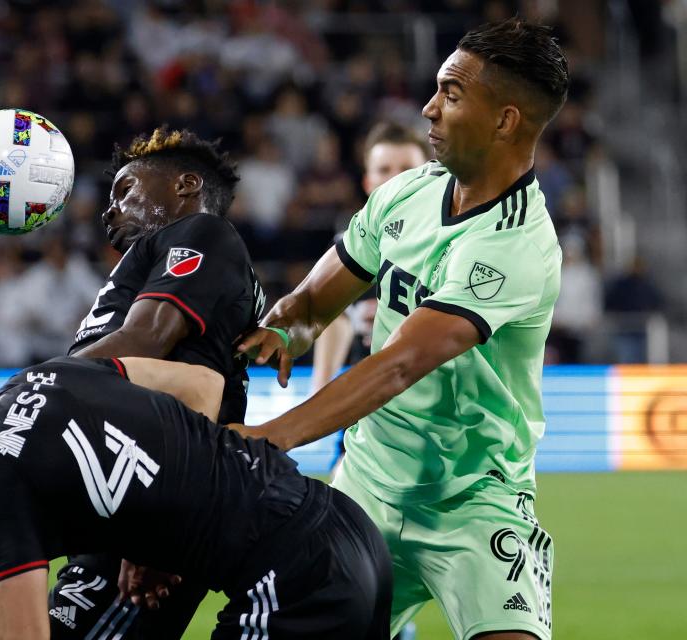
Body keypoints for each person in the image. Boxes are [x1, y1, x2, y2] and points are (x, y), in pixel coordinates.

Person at [237, 18, 567, 640]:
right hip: (367, 486)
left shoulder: (518, 244)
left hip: (475, 502)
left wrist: (270, 437)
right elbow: (312, 305)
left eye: (451, 93)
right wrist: (281, 334)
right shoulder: (406, 195)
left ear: (506, 119)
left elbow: (398, 364)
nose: (428, 109)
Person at [0, 127, 267, 639]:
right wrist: (13, 560)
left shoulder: (202, 234)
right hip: (126, 500)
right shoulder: (148, 264)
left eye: (125, 190)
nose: (110, 210)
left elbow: (149, 337)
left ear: (186, 186)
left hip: (156, 501)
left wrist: (31, 389)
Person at [0, 335, 392, 640]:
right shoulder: (47, 376)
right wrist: (153, 529)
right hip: (346, 532)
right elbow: (201, 385)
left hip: (290, 579)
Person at [311, 121, 432, 393]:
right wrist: (320, 390)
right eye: (384, 170)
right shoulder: (348, 244)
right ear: (367, 182)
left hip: (430, 411)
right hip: (363, 409)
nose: (396, 179)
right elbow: (337, 318)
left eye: (406, 169)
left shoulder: (454, 244)